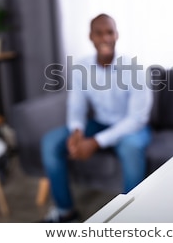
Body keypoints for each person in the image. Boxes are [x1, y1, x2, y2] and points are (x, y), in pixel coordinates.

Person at [40, 13, 153, 222]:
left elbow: (137, 119)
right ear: (90, 37)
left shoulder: (135, 68)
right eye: (99, 33)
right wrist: (77, 131)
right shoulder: (82, 68)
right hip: (99, 123)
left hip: (131, 127)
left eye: (109, 32)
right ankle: (66, 212)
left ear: (117, 35)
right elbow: (76, 106)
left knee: (130, 148)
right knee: (50, 142)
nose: (105, 38)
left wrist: (94, 142)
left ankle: (131, 219)